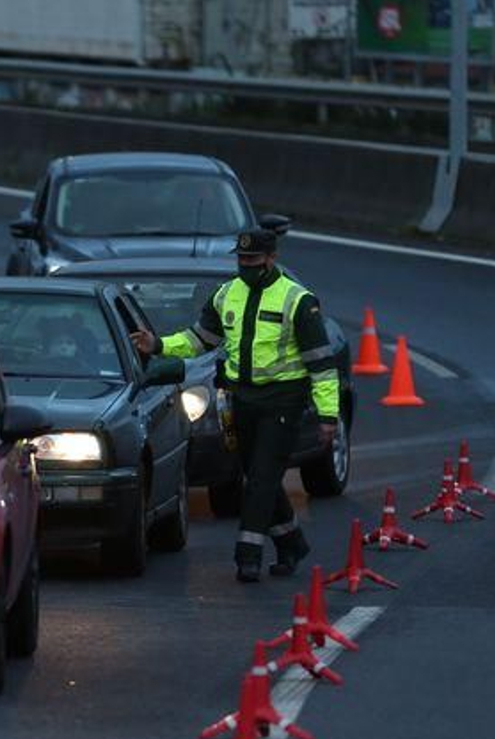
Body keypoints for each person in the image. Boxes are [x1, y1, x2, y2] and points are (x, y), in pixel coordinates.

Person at [129, 229, 340, 583]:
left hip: (282, 401)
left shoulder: (297, 300)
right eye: (241, 260)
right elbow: (199, 340)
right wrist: (158, 344)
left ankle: (248, 555)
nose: (245, 266)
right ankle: (291, 543)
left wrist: (328, 415)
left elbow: (321, 364)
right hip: (242, 401)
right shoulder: (227, 294)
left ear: (271, 259)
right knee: (260, 478)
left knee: (260, 479)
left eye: (253, 261)